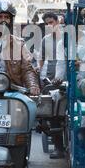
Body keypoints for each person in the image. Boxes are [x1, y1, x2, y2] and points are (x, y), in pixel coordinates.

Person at [36, 12, 65, 159]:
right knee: (53, 113)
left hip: (66, 80)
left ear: (58, 22)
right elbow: (40, 60)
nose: (49, 26)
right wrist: (39, 76)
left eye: (51, 22)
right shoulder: (45, 40)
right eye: (46, 23)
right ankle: (58, 147)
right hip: (49, 80)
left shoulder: (67, 38)